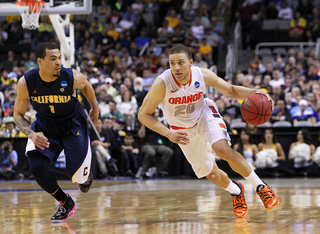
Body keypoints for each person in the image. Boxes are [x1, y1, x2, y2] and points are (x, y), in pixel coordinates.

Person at [138, 45, 279, 218]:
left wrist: (257, 92)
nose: (176, 67)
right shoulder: (162, 84)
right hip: (181, 131)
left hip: (204, 115)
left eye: (180, 62)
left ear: (190, 63)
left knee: (222, 149)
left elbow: (230, 90)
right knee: (210, 173)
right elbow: (143, 115)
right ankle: (236, 191)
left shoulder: (202, 74)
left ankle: (261, 187)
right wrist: (168, 133)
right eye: (171, 63)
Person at [13, 42, 99, 222]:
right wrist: (31, 134)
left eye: (59, 58)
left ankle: (85, 175)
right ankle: (65, 202)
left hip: (72, 124)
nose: (58, 62)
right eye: (53, 59)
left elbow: (86, 86)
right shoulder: (26, 82)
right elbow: (18, 115)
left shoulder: (71, 76)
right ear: (40, 61)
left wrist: (95, 108)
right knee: (36, 167)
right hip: (45, 126)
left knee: (78, 177)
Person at [136, 108, 173, 179]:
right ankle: (143, 169)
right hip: (146, 144)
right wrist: (144, 123)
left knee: (169, 152)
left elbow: (163, 134)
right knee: (151, 152)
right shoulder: (145, 122)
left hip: (156, 144)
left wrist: (156, 122)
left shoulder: (157, 123)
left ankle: (155, 169)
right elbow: (141, 135)